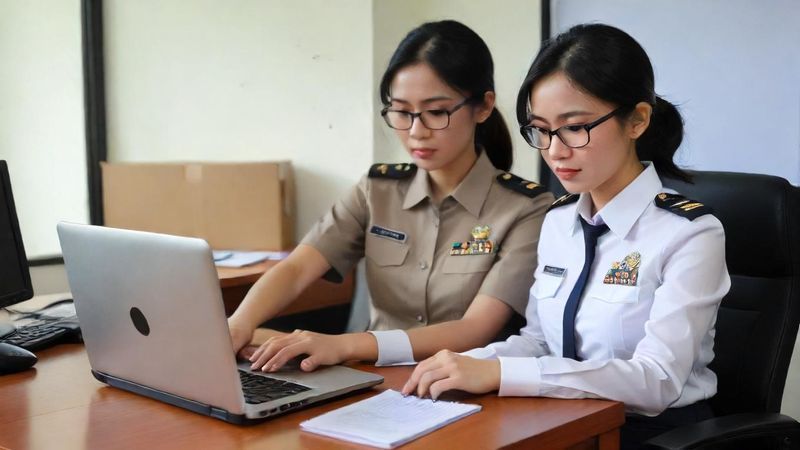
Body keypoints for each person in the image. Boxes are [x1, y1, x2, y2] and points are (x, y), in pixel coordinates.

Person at [402, 23, 731, 449]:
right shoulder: (559, 221)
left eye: (575, 127)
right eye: (540, 129)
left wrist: (501, 374)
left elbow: (657, 381)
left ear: (637, 120)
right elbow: (539, 342)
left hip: (652, 434)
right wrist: (463, 363)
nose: (554, 150)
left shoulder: (689, 234)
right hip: (558, 417)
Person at [227, 20, 553, 373]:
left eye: (436, 112)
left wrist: (344, 344)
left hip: (466, 386)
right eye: (401, 111)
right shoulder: (376, 190)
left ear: (483, 106)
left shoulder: (527, 208)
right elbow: (296, 268)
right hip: (372, 380)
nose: (416, 131)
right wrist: (239, 324)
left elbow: (475, 329)